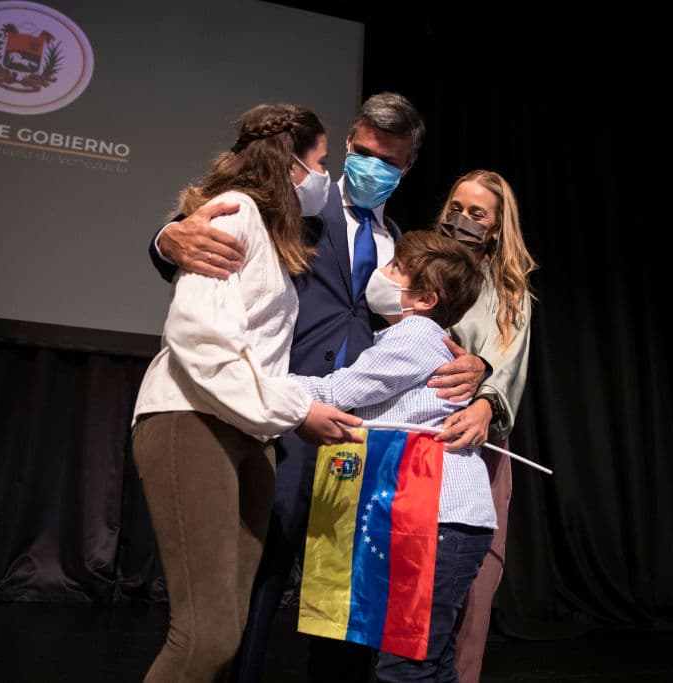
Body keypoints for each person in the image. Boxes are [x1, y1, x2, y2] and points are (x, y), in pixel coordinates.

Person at [150, 93, 489, 683]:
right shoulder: (294, 203)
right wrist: (166, 237)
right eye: (358, 151)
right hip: (277, 417)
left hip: (355, 444)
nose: (367, 165)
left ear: (407, 167)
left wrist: (479, 374)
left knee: (346, 607)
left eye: (386, 159)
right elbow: (206, 231)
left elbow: (427, 332)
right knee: (251, 587)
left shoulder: (402, 247)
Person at [130, 103, 362, 683]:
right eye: (323, 162)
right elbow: (201, 341)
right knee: (202, 638)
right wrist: (295, 407)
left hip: (250, 432)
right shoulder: (232, 217)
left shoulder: (273, 231)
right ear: (291, 167)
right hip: (194, 419)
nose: (327, 179)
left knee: (226, 634)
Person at [292, 229, 493, 681]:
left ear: (423, 299)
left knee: (406, 664)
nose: (381, 273)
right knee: (428, 660)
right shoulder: (409, 336)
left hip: (439, 519)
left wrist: (258, 384)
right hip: (438, 518)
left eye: (395, 269)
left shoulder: (416, 337)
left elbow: (336, 393)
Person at [430, 170, 537, 683]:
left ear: (495, 228)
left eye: (477, 214)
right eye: (456, 208)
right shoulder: (415, 264)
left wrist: (485, 405)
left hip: (479, 447)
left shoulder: (508, 291)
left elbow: (506, 359)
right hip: (414, 438)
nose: (462, 220)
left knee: (473, 588)